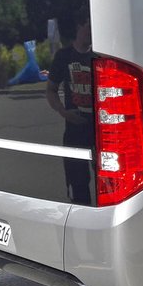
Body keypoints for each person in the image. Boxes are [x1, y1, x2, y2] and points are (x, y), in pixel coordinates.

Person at [45, 12, 94, 204]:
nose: (91, 32)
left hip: (101, 130)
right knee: (79, 183)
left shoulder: (100, 55)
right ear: (78, 28)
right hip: (75, 130)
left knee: (108, 183)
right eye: (88, 27)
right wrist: (63, 111)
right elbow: (50, 90)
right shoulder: (63, 56)